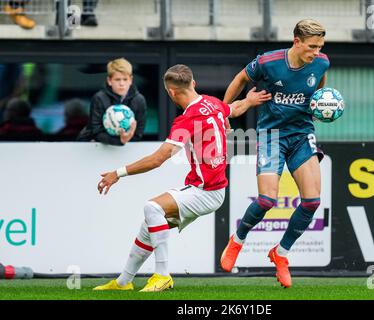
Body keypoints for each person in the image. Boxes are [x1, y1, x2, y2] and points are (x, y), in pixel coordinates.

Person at [93, 64, 271, 292]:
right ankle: (123, 282)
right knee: (148, 227)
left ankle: (162, 275)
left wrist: (117, 174)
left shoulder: (186, 120)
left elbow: (158, 159)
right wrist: (249, 100)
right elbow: (233, 109)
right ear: (193, 84)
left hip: (205, 191)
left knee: (152, 208)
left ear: (171, 93)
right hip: (209, 189)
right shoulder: (213, 103)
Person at [220, 19, 329, 288]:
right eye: (312, 47)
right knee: (267, 200)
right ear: (297, 42)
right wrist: (224, 111)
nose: (316, 52)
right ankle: (238, 239)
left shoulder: (322, 62)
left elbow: (320, 89)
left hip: (302, 134)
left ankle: (280, 254)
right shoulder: (269, 62)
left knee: (312, 202)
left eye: (320, 47)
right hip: (271, 135)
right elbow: (241, 79)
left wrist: (323, 106)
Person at [77, 58, 147, 145]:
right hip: (92, 144)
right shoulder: (99, 98)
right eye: (117, 79)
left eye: (125, 79)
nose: (122, 84)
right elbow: (96, 131)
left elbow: (138, 133)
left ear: (131, 80)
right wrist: (120, 141)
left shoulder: (139, 100)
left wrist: (126, 138)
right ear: (109, 81)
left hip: (125, 147)